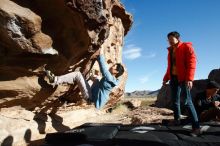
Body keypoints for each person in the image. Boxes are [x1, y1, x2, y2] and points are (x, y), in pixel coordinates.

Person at [45, 48, 124, 109]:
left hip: (91, 98)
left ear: (116, 72)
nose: (111, 66)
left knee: (78, 74)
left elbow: (104, 71)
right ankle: (80, 81)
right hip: (92, 94)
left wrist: (101, 55)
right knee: (96, 78)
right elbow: (99, 82)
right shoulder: (111, 80)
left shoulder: (111, 80)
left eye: (114, 66)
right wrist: (92, 77)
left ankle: (55, 80)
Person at [163, 31, 200, 135]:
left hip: (184, 78)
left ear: (177, 38)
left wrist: (189, 79)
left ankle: (196, 128)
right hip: (174, 78)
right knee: (175, 100)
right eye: (168, 39)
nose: (169, 41)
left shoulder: (186, 47)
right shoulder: (170, 50)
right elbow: (170, 67)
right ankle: (177, 120)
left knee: (188, 102)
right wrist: (166, 78)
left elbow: (192, 63)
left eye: (171, 39)